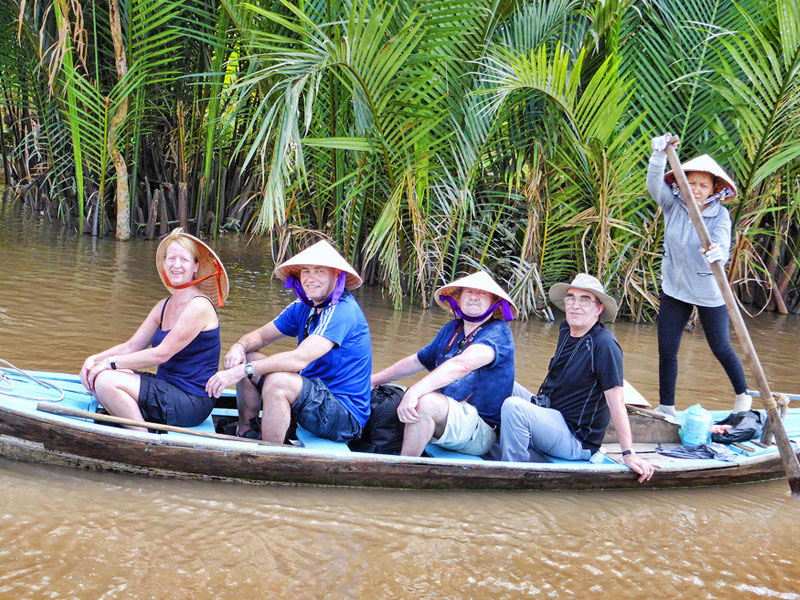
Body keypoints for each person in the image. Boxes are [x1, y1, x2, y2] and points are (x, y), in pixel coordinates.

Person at [205, 240, 371, 444]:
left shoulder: (343, 311)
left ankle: (270, 455)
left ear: (336, 275)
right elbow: (259, 337)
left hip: (344, 416)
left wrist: (243, 370)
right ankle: (247, 431)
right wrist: (239, 347)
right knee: (246, 357)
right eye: (306, 271)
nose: (311, 278)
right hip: (314, 395)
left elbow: (298, 360)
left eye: (320, 271)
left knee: (277, 382)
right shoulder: (303, 306)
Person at [500, 274, 654, 483]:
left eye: (585, 300)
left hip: (575, 439)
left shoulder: (604, 345)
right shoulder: (567, 329)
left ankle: (511, 475)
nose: (575, 305)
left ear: (599, 309)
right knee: (502, 382)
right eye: (571, 298)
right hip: (551, 414)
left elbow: (616, 401)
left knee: (514, 407)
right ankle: (492, 440)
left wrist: (628, 453)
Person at [80, 228, 228, 430]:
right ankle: (137, 422)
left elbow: (161, 354)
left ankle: (142, 440)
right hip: (165, 386)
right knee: (94, 375)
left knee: (105, 380)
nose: (176, 265)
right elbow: (132, 345)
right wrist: (94, 360)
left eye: (183, 260)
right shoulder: (163, 306)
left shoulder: (199, 306)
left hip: (191, 400)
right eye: (171, 259)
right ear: (165, 265)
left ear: (196, 266)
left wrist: (109, 364)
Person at [648, 134, 750, 418]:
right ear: (681, 182)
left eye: (703, 185)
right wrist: (658, 157)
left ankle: (743, 397)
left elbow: (721, 245)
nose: (695, 189)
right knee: (667, 350)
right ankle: (666, 406)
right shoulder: (672, 206)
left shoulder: (721, 216)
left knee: (721, 347)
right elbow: (653, 184)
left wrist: (717, 253)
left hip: (708, 291)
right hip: (674, 288)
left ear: (714, 189)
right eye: (690, 182)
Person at [370, 271, 516, 457]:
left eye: (482, 293)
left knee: (425, 402)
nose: (474, 297)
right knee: (392, 392)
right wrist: (374, 380)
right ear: (459, 298)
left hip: (480, 430)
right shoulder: (451, 330)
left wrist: (415, 391)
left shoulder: (499, 333)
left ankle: (405, 469)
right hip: (448, 418)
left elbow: (463, 364)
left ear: (493, 303)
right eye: (469, 292)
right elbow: (417, 361)